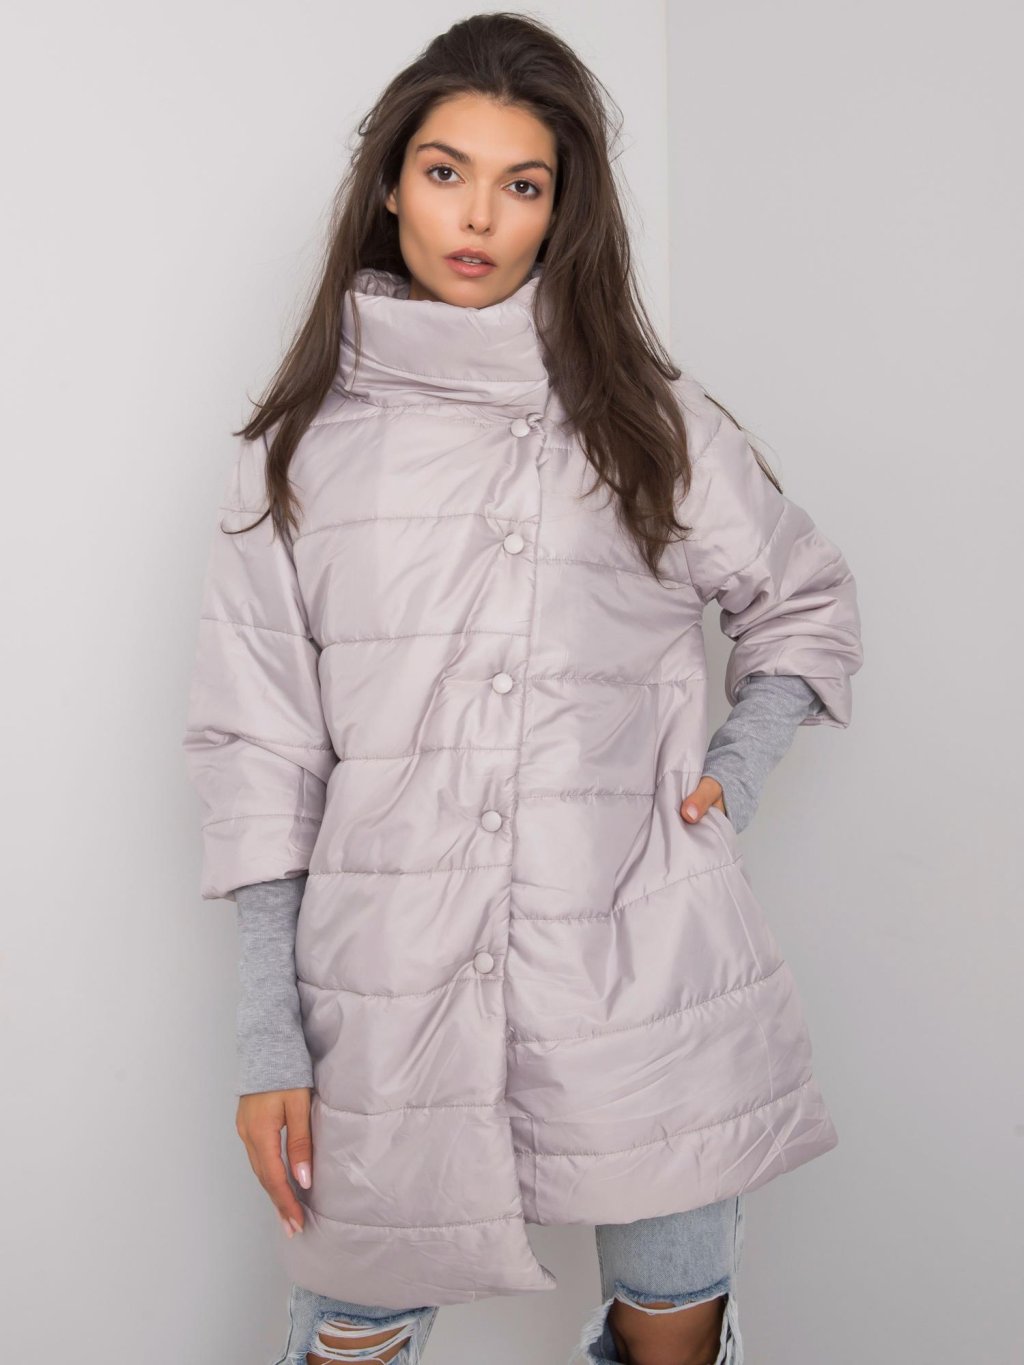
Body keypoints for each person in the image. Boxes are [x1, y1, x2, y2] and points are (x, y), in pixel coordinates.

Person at [181, 13, 863, 1365]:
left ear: (566, 208)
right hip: (386, 979)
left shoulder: (647, 421)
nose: (479, 216)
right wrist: (269, 1040)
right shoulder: (300, 451)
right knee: (354, 1327)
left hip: (637, 953)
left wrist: (735, 771)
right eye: (446, 172)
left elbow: (804, 601)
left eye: (523, 183)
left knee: (673, 1311)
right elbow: (260, 749)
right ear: (391, 184)